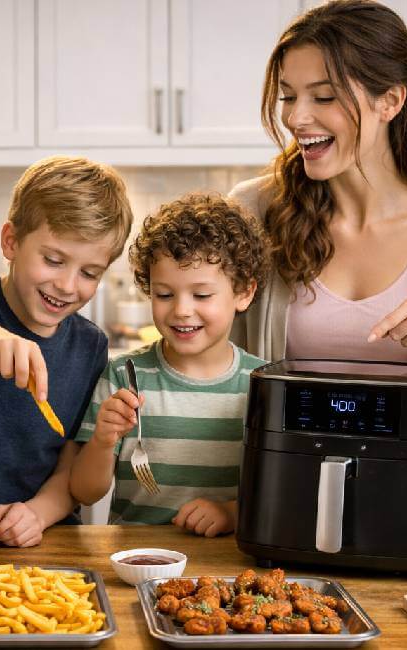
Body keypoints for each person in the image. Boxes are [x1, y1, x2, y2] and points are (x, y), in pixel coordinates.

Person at [229, 0, 407, 399]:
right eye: (288, 97)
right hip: (276, 445)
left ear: (389, 101)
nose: (296, 118)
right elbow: (216, 361)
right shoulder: (253, 209)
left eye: (324, 97)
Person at [0, 155, 134, 547]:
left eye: (89, 273)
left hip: (46, 535)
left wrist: (37, 514)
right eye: (53, 260)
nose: (67, 285)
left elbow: (71, 465)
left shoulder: (90, 346)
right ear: (11, 242)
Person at [70, 193, 269, 537]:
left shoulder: (262, 385)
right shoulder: (124, 376)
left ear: (243, 293)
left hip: (224, 562)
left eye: (201, 295)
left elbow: (276, 496)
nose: (181, 310)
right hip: (134, 557)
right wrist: (103, 440)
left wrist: (231, 514)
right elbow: (84, 492)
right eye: (164, 294)